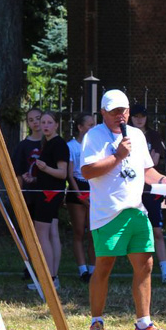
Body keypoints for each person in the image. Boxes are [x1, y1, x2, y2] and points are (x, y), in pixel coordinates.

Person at [81, 90, 166, 330]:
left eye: (123, 111)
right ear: (102, 112)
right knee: (104, 266)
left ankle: (143, 323)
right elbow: (88, 171)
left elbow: (147, 171)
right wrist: (117, 156)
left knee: (145, 265)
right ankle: (96, 322)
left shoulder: (136, 135)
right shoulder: (94, 136)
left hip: (136, 210)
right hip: (108, 213)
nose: (120, 116)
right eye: (114, 111)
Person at [130, 104, 166, 285]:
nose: (139, 119)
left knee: (157, 230)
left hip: (150, 189)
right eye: (135, 116)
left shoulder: (153, 135)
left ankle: (165, 272)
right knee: (132, 232)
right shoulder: (125, 136)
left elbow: (154, 160)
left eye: (142, 115)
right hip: (131, 190)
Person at [32, 111, 69, 285]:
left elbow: (63, 173)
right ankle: (53, 277)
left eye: (49, 122)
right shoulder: (46, 143)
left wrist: (45, 168)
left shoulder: (59, 144)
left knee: (42, 234)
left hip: (49, 194)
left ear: (56, 125)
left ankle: (48, 278)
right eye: (43, 122)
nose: (45, 125)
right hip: (47, 191)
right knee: (52, 233)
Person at [66, 113, 96, 282]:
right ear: (80, 127)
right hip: (77, 187)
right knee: (79, 231)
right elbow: (70, 175)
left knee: (93, 232)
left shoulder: (95, 146)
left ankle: (93, 270)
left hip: (93, 188)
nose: (93, 128)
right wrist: (79, 195)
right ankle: (82, 270)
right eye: (90, 125)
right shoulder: (71, 146)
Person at [11, 107, 42, 212]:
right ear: (28, 123)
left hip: (47, 190)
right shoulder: (23, 146)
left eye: (38, 118)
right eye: (31, 120)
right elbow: (18, 172)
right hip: (29, 193)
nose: (35, 122)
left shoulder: (52, 143)